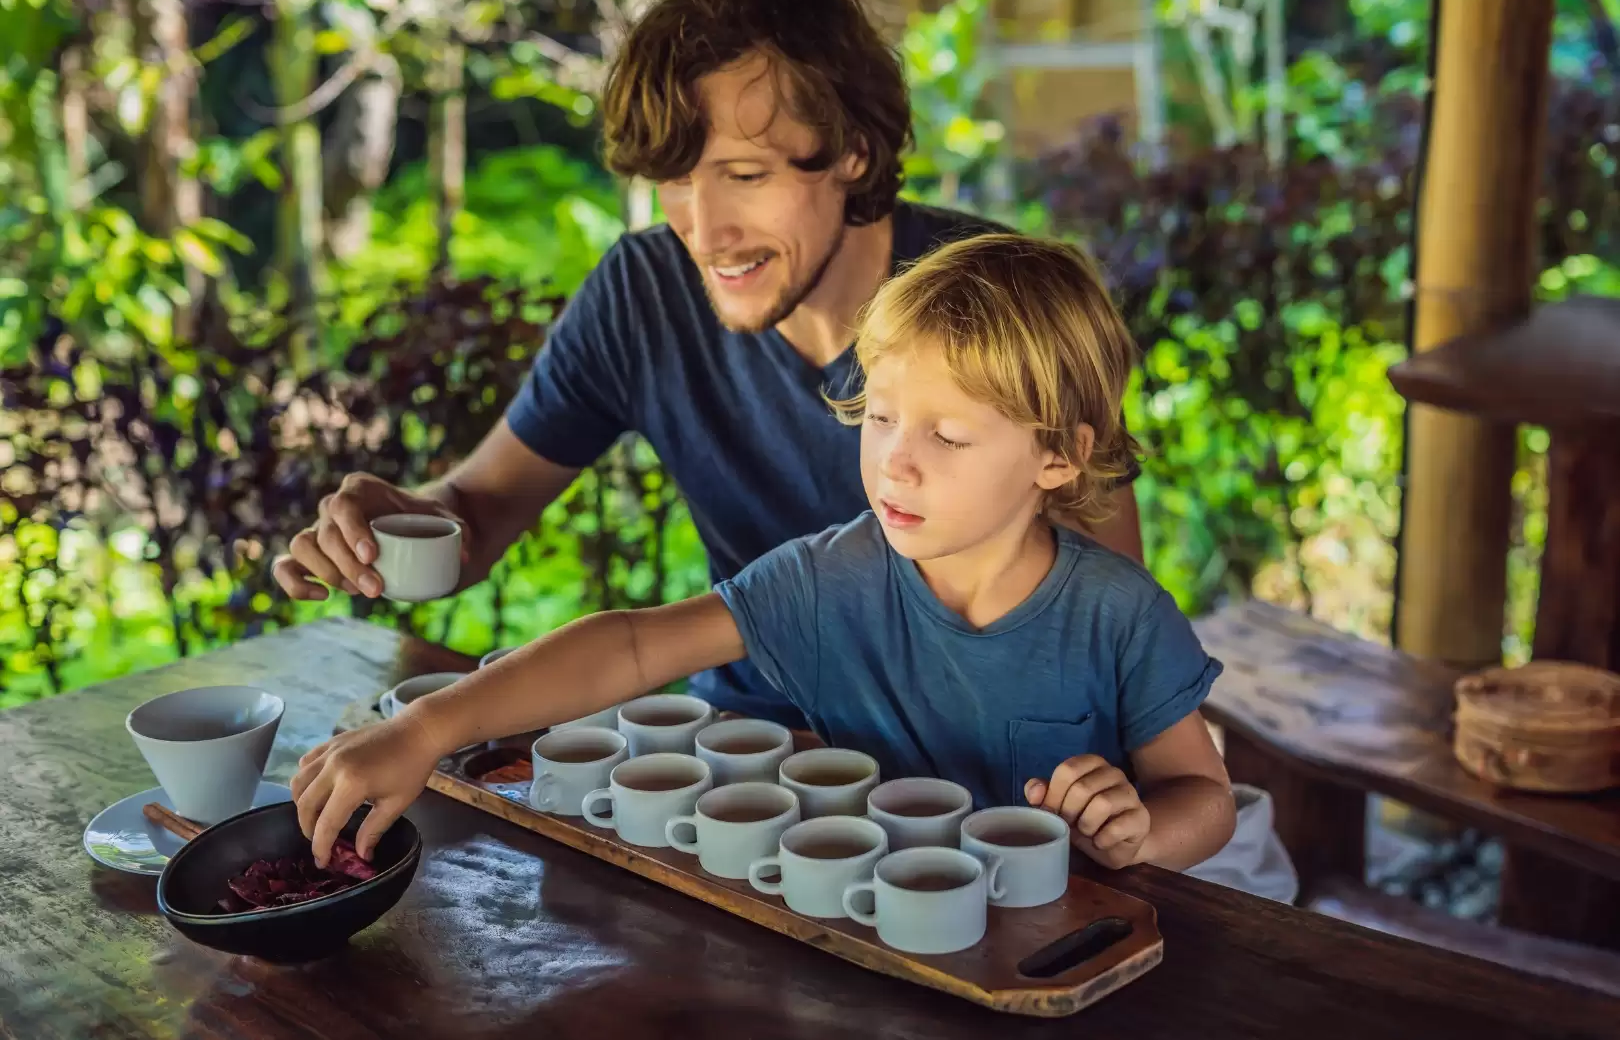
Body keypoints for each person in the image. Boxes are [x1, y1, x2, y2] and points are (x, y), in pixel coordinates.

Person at [269, 0, 1145, 735]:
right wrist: (401, 525)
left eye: (745, 175)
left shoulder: (995, 305)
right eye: (677, 178)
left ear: (853, 153)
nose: (705, 228)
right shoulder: (643, 294)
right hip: (743, 759)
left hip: (972, 776)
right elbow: (480, 514)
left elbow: (1112, 625)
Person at [293, 233, 1246, 892]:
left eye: (948, 436)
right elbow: (628, 650)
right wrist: (427, 727)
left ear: (1058, 456)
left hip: (1065, 943)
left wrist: (1141, 834)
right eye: (878, 417)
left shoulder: (1120, 614)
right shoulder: (829, 577)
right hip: (871, 932)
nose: (894, 460)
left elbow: (1202, 794)